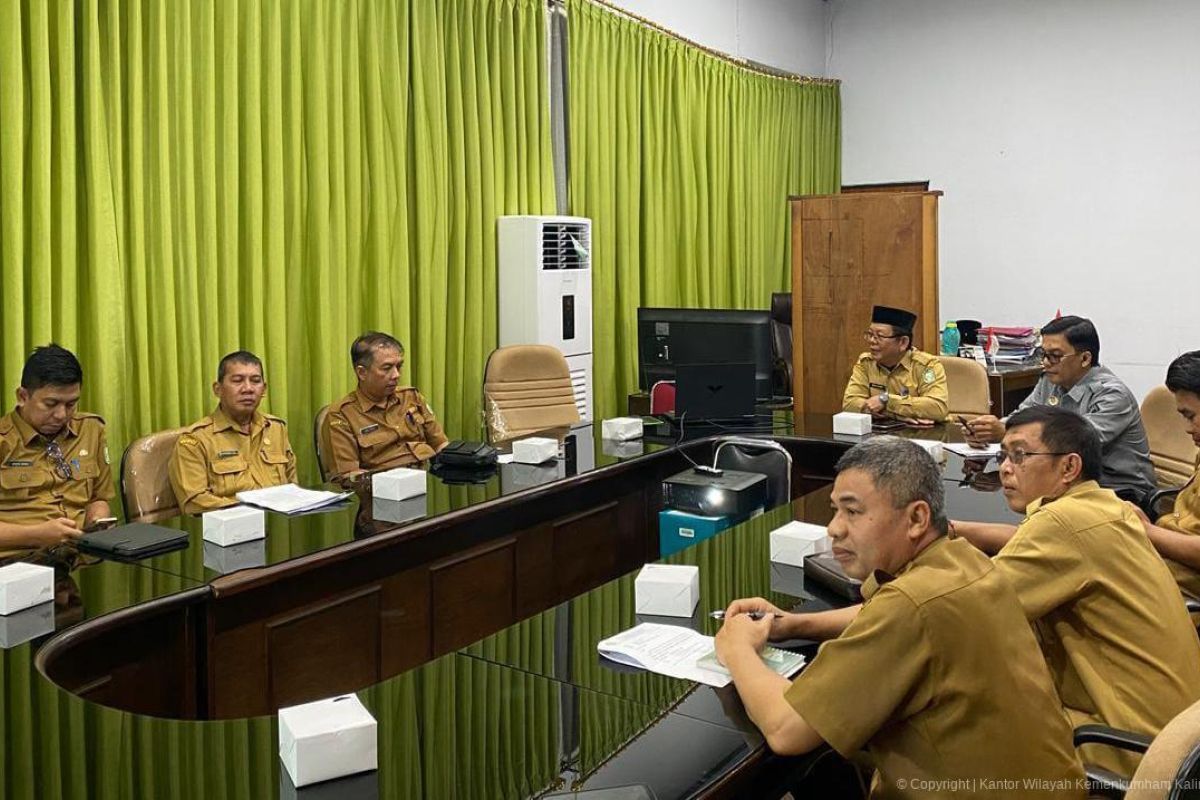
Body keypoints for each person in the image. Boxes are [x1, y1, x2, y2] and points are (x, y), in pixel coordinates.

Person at [715, 437, 1085, 799]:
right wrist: (794, 624)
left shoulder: (910, 604)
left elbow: (786, 729)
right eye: (835, 510)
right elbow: (887, 614)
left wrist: (738, 648)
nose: (834, 528)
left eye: (852, 511)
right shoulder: (964, 560)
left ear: (916, 518)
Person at [952, 405, 1200, 773]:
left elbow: (960, 611)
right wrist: (957, 530)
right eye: (1003, 456)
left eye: (1019, 455)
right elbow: (1042, 540)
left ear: (1069, 467)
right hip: (1178, 738)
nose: (1005, 468)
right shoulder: (1107, 505)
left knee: (945, 722)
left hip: (1125, 744)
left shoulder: (1062, 521)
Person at [963, 315, 1155, 503]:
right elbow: (1023, 417)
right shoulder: (1050, 381)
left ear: (1085, 358)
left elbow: (1079, 444)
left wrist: (1005, 433)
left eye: (1055, 356)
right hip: (1069, 480)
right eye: (1043, 354)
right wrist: (988, 430)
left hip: (1120, 491)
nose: (1046, 362)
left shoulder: (1113, 395)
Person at [0, 345, 115, 560]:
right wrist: (36, 535)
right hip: (14, 563)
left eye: (71, 404)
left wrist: (98, 521)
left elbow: (99, 497)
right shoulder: (4, 442)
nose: (61, 415)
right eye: (50, 404)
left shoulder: (91, 430)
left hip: (73, 558)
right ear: (23, 396)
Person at [168, 351, 297, 514]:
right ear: (218, 389)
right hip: (229, 525)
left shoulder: (276, 429)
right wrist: (254, 510)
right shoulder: (195, 440)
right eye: (237, 381)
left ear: (264, 389)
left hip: (280, 523)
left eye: (255, 381)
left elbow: (293, 487)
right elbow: (195, 503)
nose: (248, 389)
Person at [321, 332, 449, 484]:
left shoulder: (411, 397)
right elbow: (349, 476)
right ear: (362, 372)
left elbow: (440, 444)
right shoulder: (342, 415)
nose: (396, 375)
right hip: (383, 490)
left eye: (399, 366)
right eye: (387, 368)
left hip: (428, 481)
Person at [1127, 350, 1200, 598]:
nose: (1187, 428)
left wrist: (1146, 531)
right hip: (1169, 551)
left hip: (1184, 579)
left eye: (1190, 416)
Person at [842, 305, 948, 422]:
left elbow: (938, 407)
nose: (872, 341)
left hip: (923, 432)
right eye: (870, 335)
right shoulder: (866, 363)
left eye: (879, 336)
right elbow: (849, 404)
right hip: (880, 431)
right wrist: (896, 414)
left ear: (903, 342)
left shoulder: (927, 365)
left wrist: (886, 400)